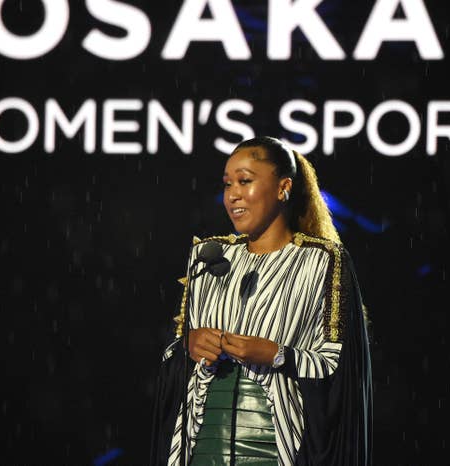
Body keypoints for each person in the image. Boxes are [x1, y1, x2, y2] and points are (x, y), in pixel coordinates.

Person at [149, 136, 372, 466]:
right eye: (227, 184)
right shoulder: (209, 257)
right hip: (202, 445)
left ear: (283, 187)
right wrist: (190, 344)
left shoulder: (321, 261)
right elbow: (172, 359)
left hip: (276, 446)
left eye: (245, 181)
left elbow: (340, 370)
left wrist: (276, 354)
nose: (233, 194)